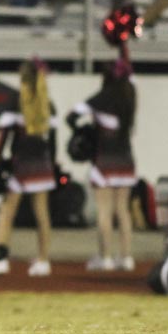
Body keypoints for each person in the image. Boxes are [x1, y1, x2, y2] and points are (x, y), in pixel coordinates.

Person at [0, 59, 57, 277]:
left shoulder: (16, 102)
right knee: (42, 214)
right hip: (42, 166)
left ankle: (1, 259)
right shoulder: (48, 105)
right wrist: (52, 165)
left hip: (21, 166)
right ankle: (43, 261)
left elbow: (3, 138)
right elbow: (52, 143)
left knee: (6, 212)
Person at [68, 58, 137, 272]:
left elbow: (72, 115)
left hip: (105, 161)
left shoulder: (102, 97)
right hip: (126, 160)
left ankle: (105, 258)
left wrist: (84, 131)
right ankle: (126, 258)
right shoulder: (130, 96)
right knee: (123, 211)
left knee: (104, 211)